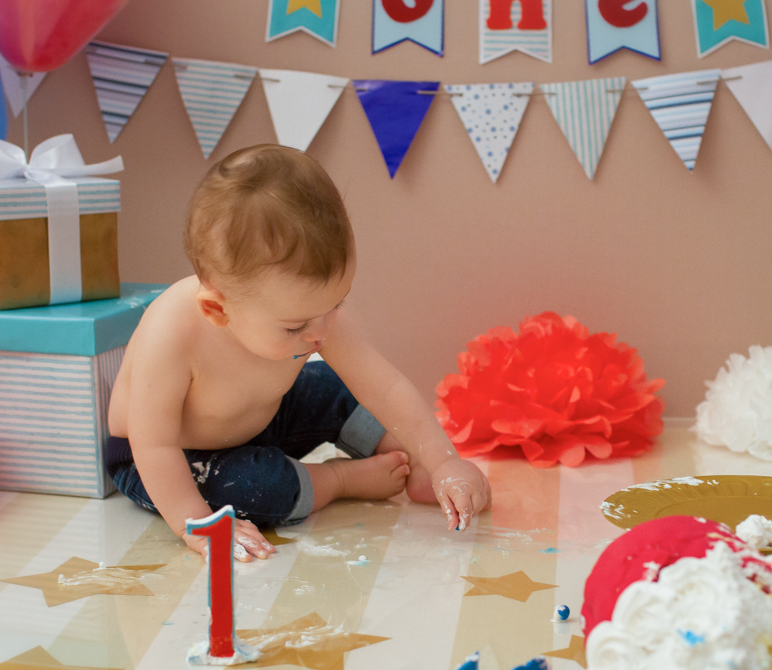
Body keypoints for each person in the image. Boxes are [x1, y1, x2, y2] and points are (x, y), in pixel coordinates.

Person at [106, 144, 490, 561]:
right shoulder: (171, 332)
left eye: (335, 305)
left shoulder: (310, 314)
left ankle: (411, 461)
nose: (321, 332)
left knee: (333, 385)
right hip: (167, 460)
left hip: (260, 421)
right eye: (295, 326)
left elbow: (385, 387)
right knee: (256, 486)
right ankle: (335, 481)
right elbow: (154, 445)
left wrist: (444, 460)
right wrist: (196, 525)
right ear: (217, 310)